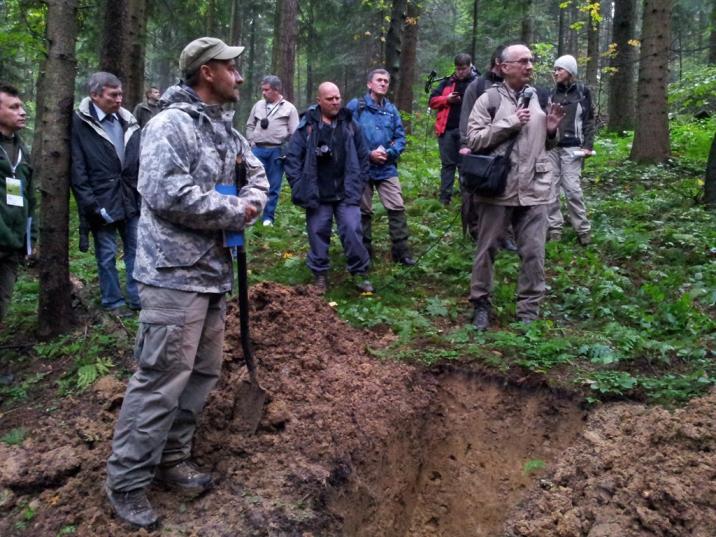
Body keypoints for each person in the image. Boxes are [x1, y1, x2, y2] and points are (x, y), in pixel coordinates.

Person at [105, 37, 268, 530]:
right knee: (160, 380)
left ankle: (173, 458)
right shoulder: (170, 125)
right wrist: (233, 209)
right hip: (173, 275)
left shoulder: (227, 130)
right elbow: (163, 192)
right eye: (230, 67)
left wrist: (252, 199)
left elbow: (256, 175)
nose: (239, 76)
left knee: (201, 374)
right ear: (206, 72)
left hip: (214, 274)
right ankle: (127, 481)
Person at [465, 43, 565, 330]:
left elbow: (546, 144)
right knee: (487, 250)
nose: (529, 66)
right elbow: (474, 139)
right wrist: (509, 123)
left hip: (536, 188)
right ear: (504, 67)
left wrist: (552, 130)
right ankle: (481, 304)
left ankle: (528, 314)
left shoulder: (540, 96)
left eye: (531, 61)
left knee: (534, 253)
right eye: (522, 61)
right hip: (499, 189)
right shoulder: (489, 99)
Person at [284, 81, 373, 293]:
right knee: (317, 233)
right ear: (319, 101)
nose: (335, 102)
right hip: (318, 192)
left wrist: (360, 181)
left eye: (337, 98)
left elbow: (363, 155)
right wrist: (299, 184)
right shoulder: (307, 126)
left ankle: (359, 272)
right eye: (330, 99)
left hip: (346, 190)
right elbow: (293, 158)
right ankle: (320, 276)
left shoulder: (350, 124)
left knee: (352, 230)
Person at [71, 71, 141, 316]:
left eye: (121, 93)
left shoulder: (128, 120)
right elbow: (77, 169)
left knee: (136, 248)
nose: (120, 99)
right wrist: (90, 204)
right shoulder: (81, 123)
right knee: (107, 253)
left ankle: (136, 297)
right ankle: (113, 301)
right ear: (95, 95)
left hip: (129, 196)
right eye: (113, 94)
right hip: (102, 199)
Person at [346, 68, 415, 266]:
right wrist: (368, 154)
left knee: (396, 206)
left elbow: (400, 138)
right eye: (379, 80)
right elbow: (347, 136)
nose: (383, 84)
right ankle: (364, 252)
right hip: (362, 167)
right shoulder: (356, 107)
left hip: (387, 167)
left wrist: (389, 153)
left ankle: (401, 252)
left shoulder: (391, 110)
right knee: (363, 210)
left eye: (386, 81)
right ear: (369, 84)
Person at [457, 45, 516, 250]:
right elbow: (466, 115)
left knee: (504, 190)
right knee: (472, 193)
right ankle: (474, 232)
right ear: (498, 64)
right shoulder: (478, 85)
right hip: (478, 146)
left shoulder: (513, 87)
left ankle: (504, 236)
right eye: (506, 63)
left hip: (503, 149)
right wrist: (465, 144)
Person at [547, 55, 595, 246]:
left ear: (570, 71)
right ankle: (554, 230)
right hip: (551, 147)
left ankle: (583, 231)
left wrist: (588, 145)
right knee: (550, 190)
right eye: (555, 69)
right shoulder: (550, 93)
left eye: (560, 69)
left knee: (573, 190)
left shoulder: (583, 92)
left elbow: (589, 120)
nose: (556, 72)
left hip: (573, 148)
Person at [0, 82, 36, 324]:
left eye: (21, 107)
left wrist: (29, 240)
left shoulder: (21, 149)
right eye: (14, 107)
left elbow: (29, 198)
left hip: (11, 248)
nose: (22, 112)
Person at [246, 75, 299, 226]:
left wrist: (289, 150)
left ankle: (268, 218)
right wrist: (251, 142)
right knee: (253, 183)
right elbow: (250, 125)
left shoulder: (289, 108)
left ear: (276, 90)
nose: (263, 92)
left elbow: (295, 132)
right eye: (262, 89)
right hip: (257, 150)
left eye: (266, 90)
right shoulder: (258, 105)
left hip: (277, 151)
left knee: (273, 186)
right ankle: (251, 215)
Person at [429, 53, 478, 205]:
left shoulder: (478, 83)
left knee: (466, 166)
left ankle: (467, 201)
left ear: (470, 66)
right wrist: (447, 99)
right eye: (458, 69)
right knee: (448, 166)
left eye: (463, 69)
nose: (460, 72)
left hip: (468, 132)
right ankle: (444, 200)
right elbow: (432, 101)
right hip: (447, 131)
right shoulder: (448, 82)